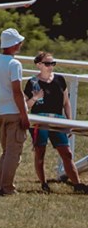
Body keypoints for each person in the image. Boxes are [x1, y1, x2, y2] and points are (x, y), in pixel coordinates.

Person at [22, 51, 87, 193]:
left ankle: (77, 184)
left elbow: (66, 103)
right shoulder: (32, 82)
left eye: (52, 63)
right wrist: (35, 98)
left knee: (66, 152)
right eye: (47, 63)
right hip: (39, 120)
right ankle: (44, 183)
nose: (50, 66)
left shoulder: (60, 80)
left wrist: (70, 122)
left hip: (58, 119)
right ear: (38, 65)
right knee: (40, 152)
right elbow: (25, 106)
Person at [0, 28, 32, 196]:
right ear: (14, 45)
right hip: (13, 112)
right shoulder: (14, 64)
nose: (20, 44)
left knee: (6, 152)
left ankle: (1, 185)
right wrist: (24, 115)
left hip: (1, 111)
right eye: (19, 42)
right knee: (13, 153)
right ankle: (7, 188)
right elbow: (17, 91)